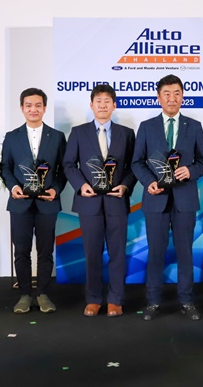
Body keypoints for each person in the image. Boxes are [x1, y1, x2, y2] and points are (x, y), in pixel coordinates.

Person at [131, 74, 203, 321]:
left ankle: (187, 301)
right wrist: (149, 182)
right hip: (156, 198)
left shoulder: (194, 126)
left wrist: (191, 171)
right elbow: (137, 162)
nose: (172, 98)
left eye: (176, 93)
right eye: (167, 94)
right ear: (159, 97)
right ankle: (153, 301)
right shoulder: (146, 126)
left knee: (185, 251)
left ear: (182, 96)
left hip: (185, 199)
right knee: (155, 251)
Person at [64, 84, 136, 317]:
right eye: (98, 101)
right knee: (92, 253)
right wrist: (81, 185)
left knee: (117, 253)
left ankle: (115, 299)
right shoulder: (78, 132)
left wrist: (124, 186)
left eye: (107, 101)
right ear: (91, 105)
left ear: (114, 105)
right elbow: (68, 164)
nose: (103, 105)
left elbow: (134, 166)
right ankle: (93, 299)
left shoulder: (126, 134)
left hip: (116, 201)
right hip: (89, 201)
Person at [0, 88, 66, 314]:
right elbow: (6, 168)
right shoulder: (12, 137)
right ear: (22, 108)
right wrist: (14, 187)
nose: (33, 109)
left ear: (44, 108)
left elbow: (63, 169)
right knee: (21, 250)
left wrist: (56, 189)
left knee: (46, 251)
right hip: (21, 202)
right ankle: (25, 294)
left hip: (48, 202)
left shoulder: (57, 137)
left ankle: (43, 294)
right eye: (28, 105)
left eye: (38, 105)